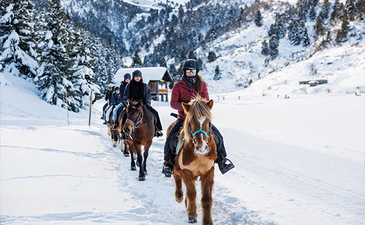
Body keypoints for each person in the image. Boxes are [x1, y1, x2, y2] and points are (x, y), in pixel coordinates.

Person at [162, 59, 234, 176]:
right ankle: (167, 163)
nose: (190, 72)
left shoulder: (202, 85)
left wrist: (198, 109)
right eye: (188, 70)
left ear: (196, 71)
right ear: (185, 71)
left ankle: (222, 160)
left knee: (218, 137)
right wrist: (188, 108)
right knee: (171, 138)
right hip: (183, 118)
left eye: (193, 70)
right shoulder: (178, 85)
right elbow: (173, 103)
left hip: (200, 119)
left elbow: (206, 101)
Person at [122, 70, 163, 137]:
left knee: (155, 113)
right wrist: (128, 104)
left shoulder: (144, 86)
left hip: (142, 105)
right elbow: (126, 96)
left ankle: (157, 129)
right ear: (133, 77)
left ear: (141, 77)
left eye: (139, 76)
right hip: (132, 105)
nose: (137, 78)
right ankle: (123, 132)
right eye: (136, 77)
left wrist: (147, 104)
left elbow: (148, 96)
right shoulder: (129, 86)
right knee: (124, 114)